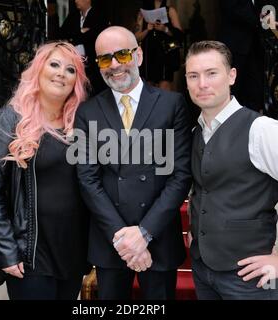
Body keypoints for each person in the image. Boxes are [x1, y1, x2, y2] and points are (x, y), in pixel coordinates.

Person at [185, 40, 278, 300]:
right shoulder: (196, 132)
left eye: (212, 73)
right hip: (202, 268)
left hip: (248, 277)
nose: (202, 84)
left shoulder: (262, 129)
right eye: (193, 76)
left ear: (231, 76)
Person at [75, 26, 192, 299]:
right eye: (105, 59)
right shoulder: (87, 112)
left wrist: (144, 233)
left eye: (122, 54)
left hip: (159, 238)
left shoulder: (172, 104)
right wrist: (123, 238)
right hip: (110, 242)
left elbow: (180, 175)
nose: (114, 65)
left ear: (138, 56)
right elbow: (87, 179)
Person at [0, 41, 91, 300]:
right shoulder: (9, 119)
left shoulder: (82, 122)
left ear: (77, 81)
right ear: (38, 70)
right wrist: (6, 250)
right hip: (29, 254)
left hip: (71, 252)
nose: (61, 73)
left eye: (70, 69)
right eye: (54, 64)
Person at [218, 0, 265, 112]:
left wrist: (264, 20)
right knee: (233, 88)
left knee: (254, 89)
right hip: (235, 46)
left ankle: (251, 124)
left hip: (252, 46)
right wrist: (260, 20)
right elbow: (233, 9)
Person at [60, 0, 108, 96]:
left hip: (92, 63)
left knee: (92, 89)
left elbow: (95, 35)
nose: (76, 1)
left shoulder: (98, 15)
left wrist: (74, 38)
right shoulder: (73, 16)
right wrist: (81, 31)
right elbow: (62, 32)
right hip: (74, 60)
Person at [134, 0, 184, 91]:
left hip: (165, 53)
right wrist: (147, 30)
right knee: (148, 86)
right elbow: (136, 38)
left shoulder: (170, 10)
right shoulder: (142, 13)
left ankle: (165, 105)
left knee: (165, 85)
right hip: (148, 54)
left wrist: (165, 29)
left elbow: (180, 35)